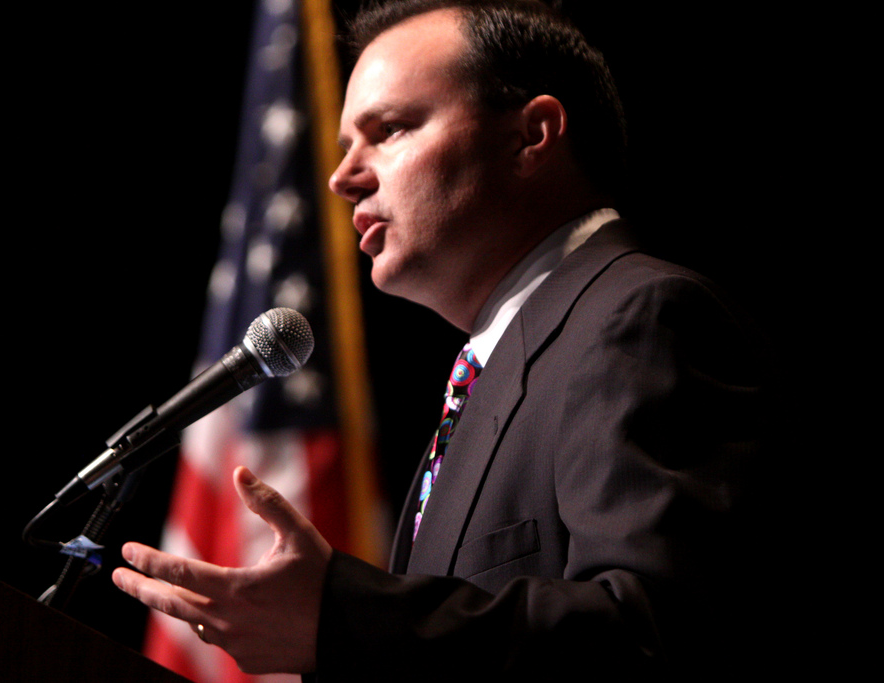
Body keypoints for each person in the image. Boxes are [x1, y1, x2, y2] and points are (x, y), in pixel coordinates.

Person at [112, 0, 772, 678]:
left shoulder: (643, 319)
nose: (342, 178)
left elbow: (655, 636)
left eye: (390, 130)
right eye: (345, 148)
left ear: (532, 135)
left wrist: (342, 619)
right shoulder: (493, 373)